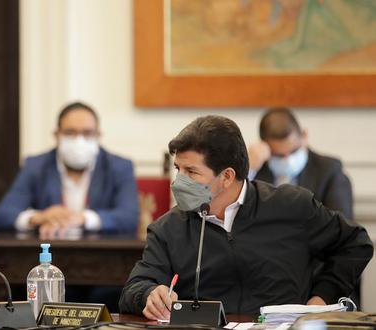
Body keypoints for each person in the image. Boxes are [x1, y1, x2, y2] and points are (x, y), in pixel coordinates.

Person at [119, 116, 373, 320]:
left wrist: (322, 297)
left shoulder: (291, 206)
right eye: (178, 169)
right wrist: (149, 294)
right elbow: (134, 287)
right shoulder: (168, 227)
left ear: (227, 176)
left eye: (191, 171)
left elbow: (355, 243)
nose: (179, 181)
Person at [0, 101, 139, 237]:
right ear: (57, 135)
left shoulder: (120, 167)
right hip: (49, 252)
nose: (79, 141)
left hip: (102, 254)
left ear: (98, 135)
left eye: (87, 133)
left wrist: (82, 218)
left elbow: (129, 217)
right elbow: (2, 215)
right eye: (70, 133)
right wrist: (38, 217)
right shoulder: (35, 166)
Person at [248, 107, 353, 219]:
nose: (287, 160)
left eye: (294, 151)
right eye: (278, 155)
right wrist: (249, 170)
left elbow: (341, 227)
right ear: (263, 146)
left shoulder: (329, 171)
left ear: (304, 136)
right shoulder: (254, 173)